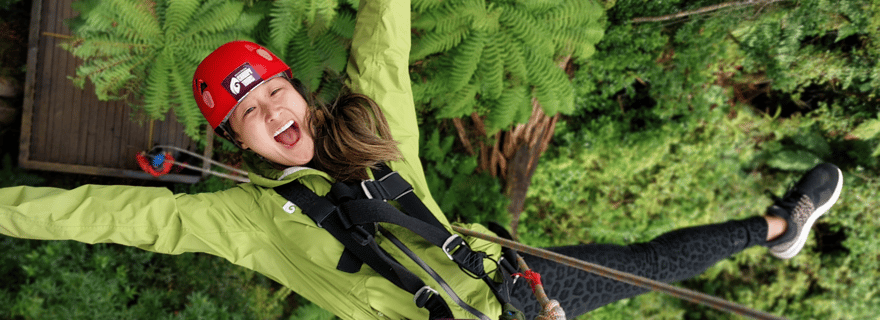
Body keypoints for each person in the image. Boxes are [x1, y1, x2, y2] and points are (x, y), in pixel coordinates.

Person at [0, 0, 844, 319]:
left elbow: (383, 31)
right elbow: (104, 215)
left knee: (641, 262)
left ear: (300, 90)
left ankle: (778, 224)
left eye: (274, 93)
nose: (271, 114)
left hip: (518, 284)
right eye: (249, 115)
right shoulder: (240, 220)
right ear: (238, 143)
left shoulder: (370, 129)